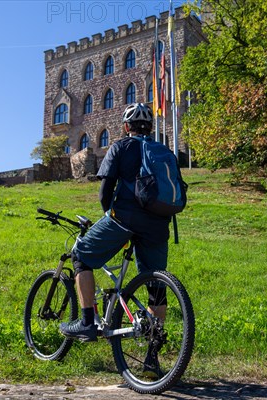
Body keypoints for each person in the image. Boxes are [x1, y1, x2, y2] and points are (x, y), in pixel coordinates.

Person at [59, 103, 171, 375]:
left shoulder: (120, 147)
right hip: (158, 226)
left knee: (81, 255)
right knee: (155, 284)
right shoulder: (165, 152)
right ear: (151, 128)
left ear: (125, 126)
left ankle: (86, 321)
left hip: (125, 220)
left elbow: (104, 192)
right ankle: (151, 359)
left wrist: (109, 215)